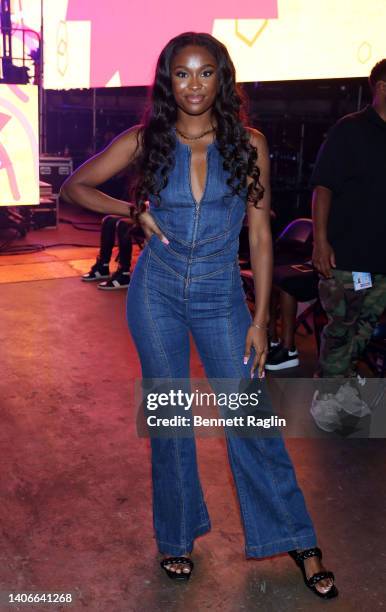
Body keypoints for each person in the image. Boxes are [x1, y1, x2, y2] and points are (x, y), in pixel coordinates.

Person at [60, 32, 337, 599]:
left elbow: (259, 233)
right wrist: (132, 210)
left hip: (219, 295)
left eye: (205, 73)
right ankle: (177, 537)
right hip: (155, 292)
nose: (194, 85)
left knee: (249, 419)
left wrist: (260, 321)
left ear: (221, 78)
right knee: (171, 421)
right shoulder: (147, 140)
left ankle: (297, 537)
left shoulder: (247, 143)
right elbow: (75, 187)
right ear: (168, 79)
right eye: (182, 74)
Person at [311, 58, 386, 416]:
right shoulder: (351, 129)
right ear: (382, 87)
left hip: (382, 260)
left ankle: (341, 385)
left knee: (366, 328)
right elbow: (323, 187)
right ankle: (326, 397)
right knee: (342, 327)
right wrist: (320, 242)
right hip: (348, 258)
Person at [82, 214, 142, 290]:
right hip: (146, 215)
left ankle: (124, 273)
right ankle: (103, 265)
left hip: (157, 222)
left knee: (123, 225)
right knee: (108, 221)